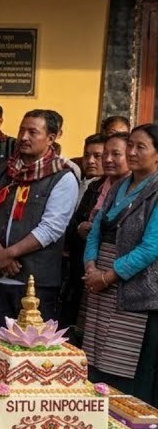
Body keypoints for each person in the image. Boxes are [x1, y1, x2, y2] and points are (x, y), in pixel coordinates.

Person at [0, 109, 78, 335]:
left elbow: (52, 228)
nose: (23, 137)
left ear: (51, 138)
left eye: (33, 132)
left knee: (32, 354)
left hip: (36, 283)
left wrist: (9, 254)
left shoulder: (63, 176)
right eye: (22, 130)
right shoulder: (2, 172)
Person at [82, 124, 158, 403]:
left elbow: (152, 247)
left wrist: (109, 276)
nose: (132, 152)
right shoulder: (118, 186)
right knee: (97, 360)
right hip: (100, 284)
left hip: (133, 288)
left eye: (141, 147)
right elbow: (96, 230)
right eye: (131, 146)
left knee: (124, 371)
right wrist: (90, 265)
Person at [62, 132, 128, 338]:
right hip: (86, 269)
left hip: (117, 273)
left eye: (114, 154)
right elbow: (71, 227)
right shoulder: (95, 187)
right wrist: (81, 228)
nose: (106, 160)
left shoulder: (140, 191)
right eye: (104, 154)